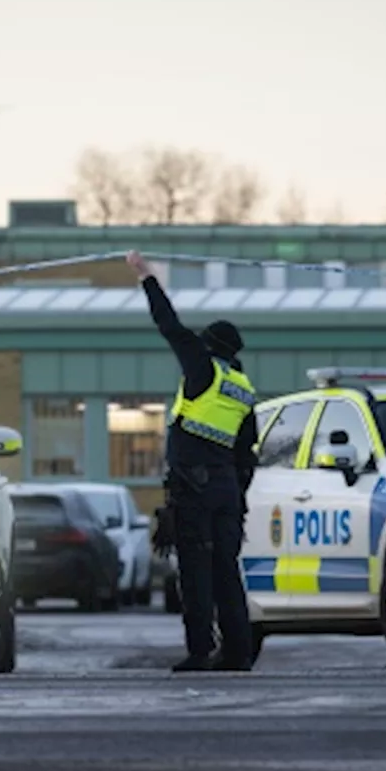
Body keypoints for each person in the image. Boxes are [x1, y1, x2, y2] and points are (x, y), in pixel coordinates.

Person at [126, 250, 259, 672]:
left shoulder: (204, 370)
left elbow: (169, 325)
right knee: (226, 572)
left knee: (196, 574)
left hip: (195, 489)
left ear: (210, 347)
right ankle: (238, 652)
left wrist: (145, 276)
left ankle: (200, 651)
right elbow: (247, 454)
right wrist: (236, 495)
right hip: (227, 491)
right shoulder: (242, 388)